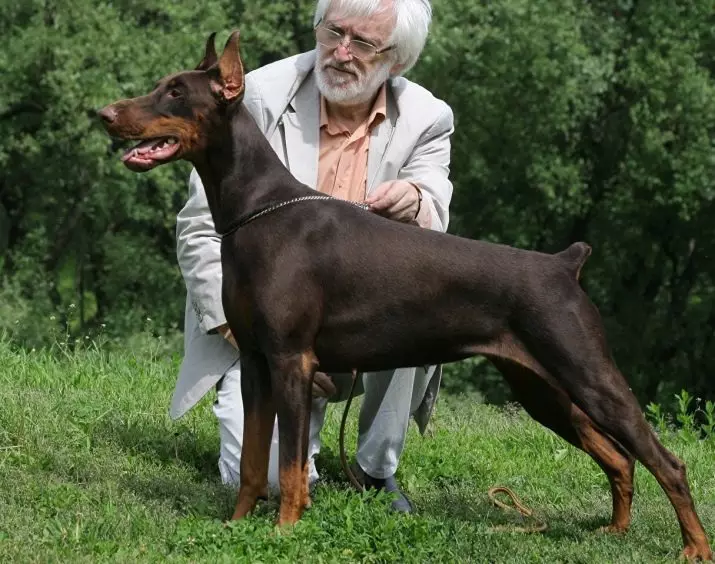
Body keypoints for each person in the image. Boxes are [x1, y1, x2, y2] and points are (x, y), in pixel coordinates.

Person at [170, 0, 453, 513]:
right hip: (265, 330)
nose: (341, 53)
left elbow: (437, 210)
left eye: (363, 43)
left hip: (365, 321)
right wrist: (242, 331)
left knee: (423, 293)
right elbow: (197, 227)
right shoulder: (255, 93)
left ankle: (375, 467)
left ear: (398, 61)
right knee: (265, 483)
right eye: (333, 32)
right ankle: (295, 467)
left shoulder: (429, 117)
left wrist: (416, 202)